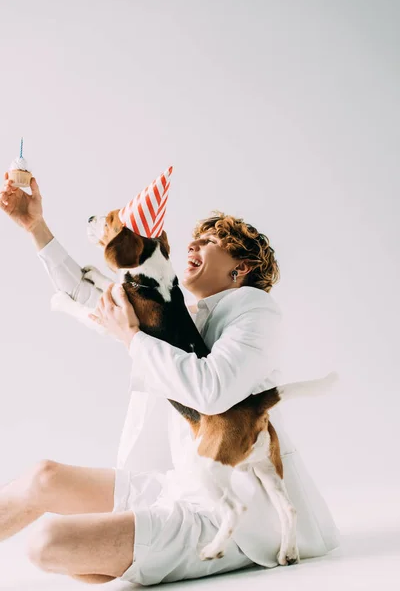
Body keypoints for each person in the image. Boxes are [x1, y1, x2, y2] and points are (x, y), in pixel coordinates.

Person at [0, 174, 339, 586]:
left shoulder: (255, 310)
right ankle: (131, 554)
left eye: (212, 242)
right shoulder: (181, 314)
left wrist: (131, 336)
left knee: (46, 542)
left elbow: (211, 391)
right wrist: (35, 226)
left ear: (242, 268)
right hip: (180, 484)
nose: (194, 244)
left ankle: (136, 556)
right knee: (42, 476)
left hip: (236, 516)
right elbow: (89, 296)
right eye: (195, 239)